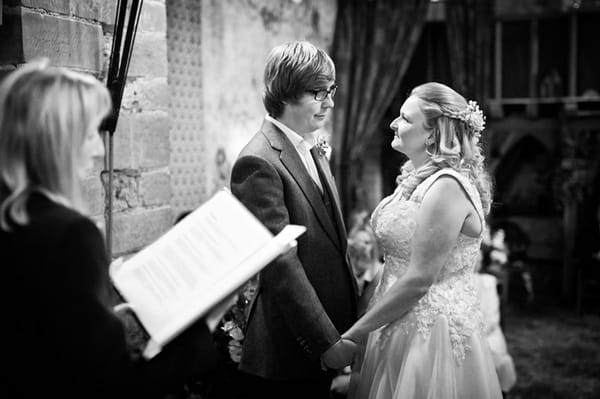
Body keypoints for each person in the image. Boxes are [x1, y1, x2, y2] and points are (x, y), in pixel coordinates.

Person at [0, 60, 232, 398]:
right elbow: (117, 386)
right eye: (91, 133)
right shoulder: (70, 235)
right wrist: (206, 321)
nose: (98, 149)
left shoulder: (15, 220)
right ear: (56, 142)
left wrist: (106, 313)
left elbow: (39, 331)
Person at [341, 82, 503, 398]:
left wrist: (354, 336)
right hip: (396, 320)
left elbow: (418, 280)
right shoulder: (414, 181)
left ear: (431, 134)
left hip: (429, 336)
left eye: (404, 118)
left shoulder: (446, 188)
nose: (393, 123)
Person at [229, 41, 358, 399]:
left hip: (328, 337)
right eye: (319, 92)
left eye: (330, 91)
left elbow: (332, 242)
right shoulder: (258, 162)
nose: (329, 103)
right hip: (288, 352)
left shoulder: (310, 145)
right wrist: (324, 341)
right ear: (286, 92)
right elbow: (280, 265)